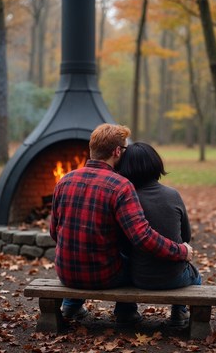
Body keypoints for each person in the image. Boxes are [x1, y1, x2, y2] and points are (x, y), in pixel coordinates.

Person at [50, 123, 193, 325]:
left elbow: (54, 232)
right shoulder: (120, 185)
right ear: (117, 151)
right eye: (124, 149)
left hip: (65, 272)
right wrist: (181, 251)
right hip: (103, 275)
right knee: (132, 261)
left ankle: (71, 306)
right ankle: (126, 312)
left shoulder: (64, 181)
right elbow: (143, 237)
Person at [117, 142, 201, 327]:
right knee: (196, 276)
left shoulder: (126, 200)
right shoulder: (173, 195)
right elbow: (186, 236)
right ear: (156, 164)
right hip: (175, 277)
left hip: (137, 277)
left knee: (123, 259)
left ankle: (126, 312)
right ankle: (179, 312)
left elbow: (123, 243)